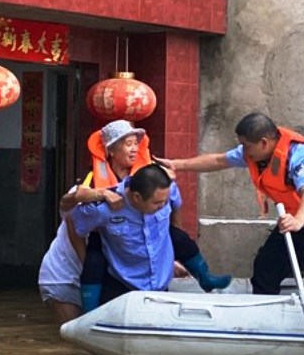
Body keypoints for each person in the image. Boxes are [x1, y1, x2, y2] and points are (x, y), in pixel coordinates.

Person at [156, 112, 304, 297]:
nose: (243, 150)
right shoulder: (254, 153)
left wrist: (298, 220)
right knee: (265, 269)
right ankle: (266, 316)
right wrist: (176, 165)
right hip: (294, 217)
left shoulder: (299, 155)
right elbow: (218, 160)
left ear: (263, 143)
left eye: (246, 145)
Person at [70, 120, 231, 307]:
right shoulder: (98, 186)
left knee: (177, 236)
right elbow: (74, 211)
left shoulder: (156, 177)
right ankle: (89, 312)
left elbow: (175, 202)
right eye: (127, 144)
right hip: (112, 239)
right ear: (111, 150)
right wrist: (103, 194)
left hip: (154, 241)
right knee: (94, 261)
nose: (133, 150)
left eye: (135, 144)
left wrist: (171, 248)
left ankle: (204, 277)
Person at [71, 164, 193, 305]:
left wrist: (170, 257)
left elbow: (175, 205)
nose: (162, 205)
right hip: (122, 282)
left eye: (136, 143)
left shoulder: (162, 186)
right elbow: (73, 218)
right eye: (128, 143)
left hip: (158, 284)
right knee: (93, 264)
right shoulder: (106, 204)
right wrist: (83, 260)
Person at [37, 193, 86, 325]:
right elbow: (70, 216)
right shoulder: (87, 191)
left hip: (94, 277)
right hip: (63, 277)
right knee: (72, 337)